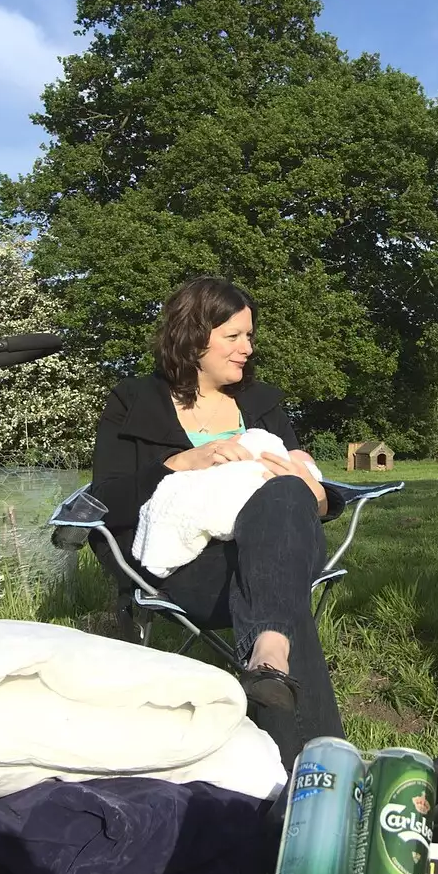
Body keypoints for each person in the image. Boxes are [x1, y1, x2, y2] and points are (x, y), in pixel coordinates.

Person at [87, 276, 345, 767]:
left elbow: (315, 485)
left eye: (249, 336)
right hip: (180, 567)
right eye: (234, 336)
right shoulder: (133, 401)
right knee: (281, 593)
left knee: (286, 493)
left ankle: (270, 660)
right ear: (192, 337)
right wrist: (181, 462)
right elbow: (107, 498)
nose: (247, 348)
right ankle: (322, 768)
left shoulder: (261, 403)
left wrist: (316, 494)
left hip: (273, 540)